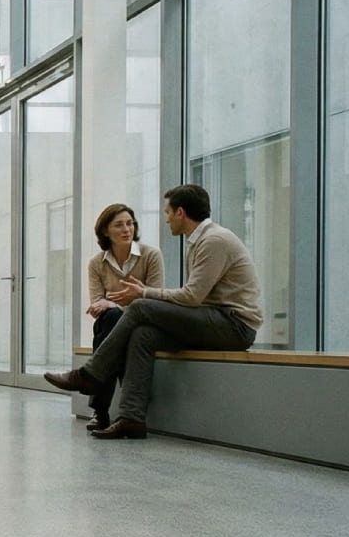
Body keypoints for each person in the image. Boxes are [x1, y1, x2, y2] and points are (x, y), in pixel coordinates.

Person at [44, 184, 261, 439]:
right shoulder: (198, 241)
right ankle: (131, 418)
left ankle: (90, 375)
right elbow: (192, 298)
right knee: (143, 335)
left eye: (168, 212)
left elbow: (191, 297)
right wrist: (142, 295)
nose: (166, 218)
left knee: (139, 306)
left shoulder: (214, 240)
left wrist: (144, 293)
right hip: (213, 319)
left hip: (234, 326)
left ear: (181, 212)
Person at [83, 203, 165, 433]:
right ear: (106, 231)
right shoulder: (96, 263)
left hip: (146, 323)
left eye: (130, 223)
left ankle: (99, 410)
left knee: (109, 323)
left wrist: (112, 302)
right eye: (119, 225)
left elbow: (155, 300)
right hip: (112, 323)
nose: (127, 229)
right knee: (109, 319)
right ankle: (126, 413)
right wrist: (113, 305)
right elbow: (97, 305)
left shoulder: (151, 255)